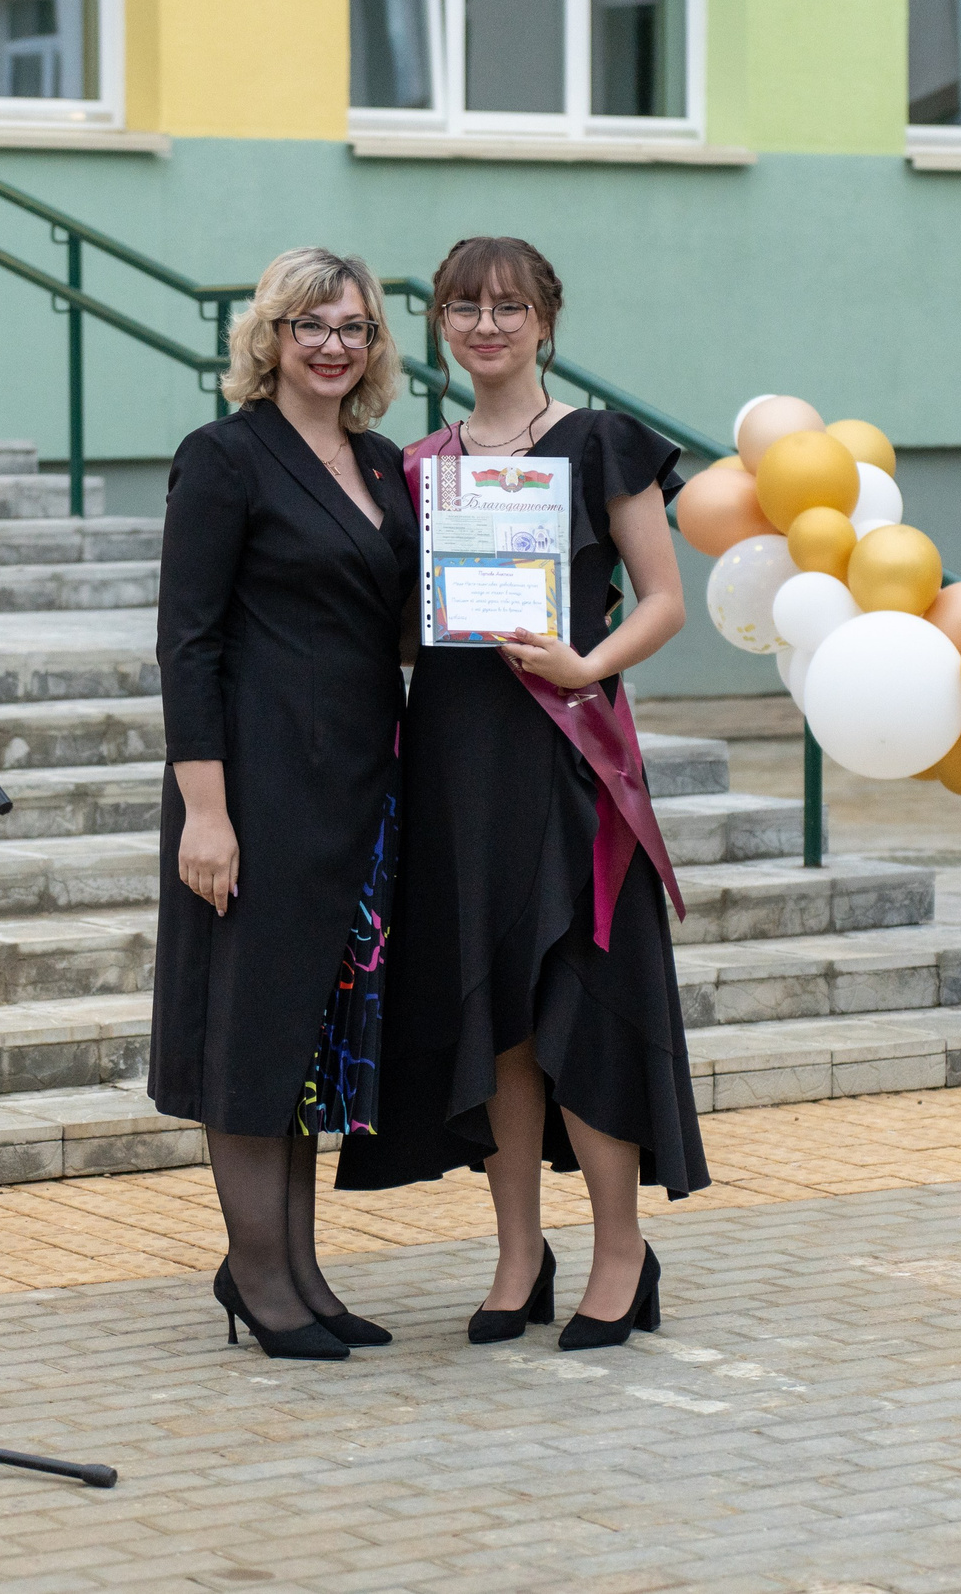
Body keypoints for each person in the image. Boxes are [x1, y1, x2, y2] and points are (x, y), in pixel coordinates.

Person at [338, 236, 704, 1351]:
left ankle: (621, 1255)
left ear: (546, 319)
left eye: (506, 307)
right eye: (461, 306)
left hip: (565, 751)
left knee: (575, 1002)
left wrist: (585, 666)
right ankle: (514, 1256)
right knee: (488, 1014)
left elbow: (664, 600)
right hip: (454, 758)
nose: (483, 324)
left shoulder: (602, 444)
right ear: (439, 323)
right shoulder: (416, 467)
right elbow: (403, 628)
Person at [150, 247, 415, 1362]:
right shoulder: (222, 459)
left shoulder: (384, 462)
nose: (331, 346)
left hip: (358, 783)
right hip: (254, 786)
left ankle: (300, 1270)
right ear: (269, 337)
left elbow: (403, 621)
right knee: (252, 1030)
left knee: (311, 1033)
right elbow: (187, 643)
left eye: (351, 328)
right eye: (309, 326)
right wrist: (204, 813)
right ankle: (256, 1276)